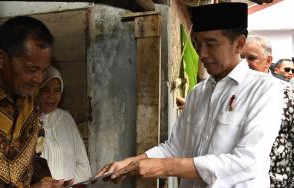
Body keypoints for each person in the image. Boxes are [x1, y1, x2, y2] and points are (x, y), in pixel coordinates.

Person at [97, 3, 283, 187]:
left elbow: (248, 162)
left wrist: (166, 167)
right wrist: (130, 164)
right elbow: (175, 147)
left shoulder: (265, 89)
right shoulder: (198, 93)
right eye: (197, 44)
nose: (202, 53)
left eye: (211, 44)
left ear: (239, 44)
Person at [0, 16, 67, 187]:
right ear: (1, 58)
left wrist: (45, 181)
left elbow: (35, 155)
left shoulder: (31, 99)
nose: (39, 79)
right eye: (31, 69)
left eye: (44, 70)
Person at [242, 35, 294, 187]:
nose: (245, 64)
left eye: (252, 58)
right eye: (241, 58)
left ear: (268, 61)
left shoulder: (288, 94)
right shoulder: (231, 91)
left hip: (277, 181)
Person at [38, 66, 92, 183]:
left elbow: (82, 164)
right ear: (37, 91)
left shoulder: (66, 119)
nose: (51, 96)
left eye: (57, 91)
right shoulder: (28, 121)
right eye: (46, 90)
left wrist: (68, 185)